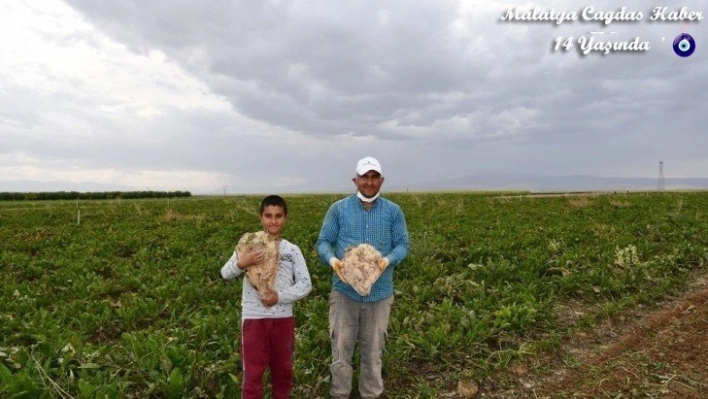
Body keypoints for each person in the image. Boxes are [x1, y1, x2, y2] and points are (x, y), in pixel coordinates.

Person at [316, 156, 410, 399]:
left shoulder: (393, 211)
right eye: (364, 177)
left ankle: (370, 394)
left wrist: (385, 261)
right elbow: (324, 242)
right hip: (344, 292)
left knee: (373, 352)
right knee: (341, 349)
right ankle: (340, 394)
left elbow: (403, 245)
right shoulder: (338, 209)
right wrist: (333, 261)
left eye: (374, 177)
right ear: (355, 179)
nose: (369, 182)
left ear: (381, 180)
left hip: (379, 295)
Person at [221, 195, 312, 399]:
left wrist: (279, 296)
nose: (273, 221)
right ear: (261, 217)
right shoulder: (249, 246)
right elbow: (225, 273)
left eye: (278, 216)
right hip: (254, 319)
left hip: (282, 320)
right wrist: (242, 262)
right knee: (253, 375)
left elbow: (306, 284)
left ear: (285, 218)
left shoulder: (291, 250)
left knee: (283, 373)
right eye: (268, 216)